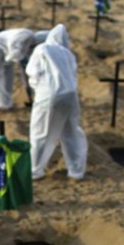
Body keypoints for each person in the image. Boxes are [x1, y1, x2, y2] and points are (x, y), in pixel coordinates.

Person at [25, 24, 88, 181]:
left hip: (49, 95)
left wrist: (38, 90)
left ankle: (34, 170)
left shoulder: (42, 49)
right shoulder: (68, 54)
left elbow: (32, 73)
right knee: (70, 132)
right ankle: (76, 171)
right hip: (71, 96)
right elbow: (73, 75)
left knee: (40, 133)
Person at [0, 28, 38, 110]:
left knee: (8, 78)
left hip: (8, 52)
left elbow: (25, 66)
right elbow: (18, 57)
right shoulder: (21, 38)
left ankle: (4, 104)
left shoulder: (32, 42)